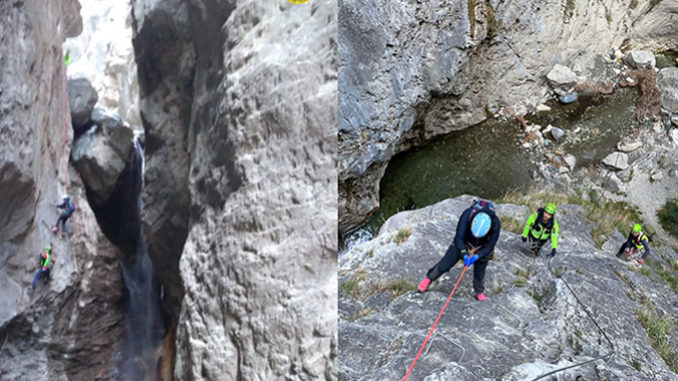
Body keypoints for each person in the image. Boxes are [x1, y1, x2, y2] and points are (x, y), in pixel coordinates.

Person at [417, 200, 501, 301]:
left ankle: (479, 292)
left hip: (483, 246)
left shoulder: (495, 224)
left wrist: (477, 256)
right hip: (465, 241)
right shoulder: (467, 215)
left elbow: (489, 246)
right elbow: (459, 238)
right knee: (445, 264)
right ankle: (429, 278)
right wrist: (464, 253)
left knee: (480, 272)